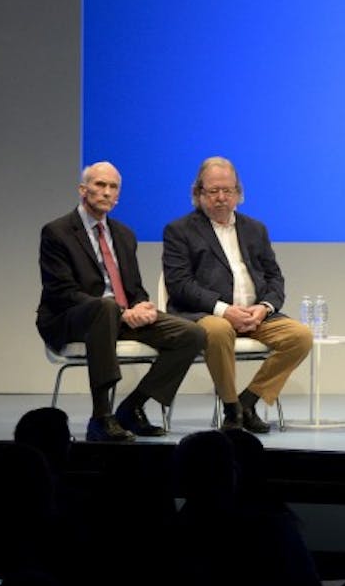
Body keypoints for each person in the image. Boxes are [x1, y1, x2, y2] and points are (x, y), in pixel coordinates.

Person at [37, 162, 206, 442]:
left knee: (192, 334)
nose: (106, 192)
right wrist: (118, 311)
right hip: (71, 317)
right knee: (104, 308)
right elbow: (61, 291)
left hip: (117, 316)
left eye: (112, 187)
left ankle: (132, 407)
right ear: (83, 190)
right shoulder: (57, 232)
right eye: (99, 185)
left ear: (118, 195)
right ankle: (101, 417)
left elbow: (134, 288)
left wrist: (142, 306)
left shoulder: (124, 234)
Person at [162, 157, 311, 434]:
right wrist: (224, 310)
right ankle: (231, 409)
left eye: (227, 191)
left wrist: (264, 307)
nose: (221, 198)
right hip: (208, 315)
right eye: (213, 191)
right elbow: (180, 284)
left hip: (255, 315)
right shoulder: (179, 231)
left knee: (300, 337)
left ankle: (248, 401)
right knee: (217, 331)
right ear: (198, 194)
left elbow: (274, 277)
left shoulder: (255, 229)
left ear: (238, 193)